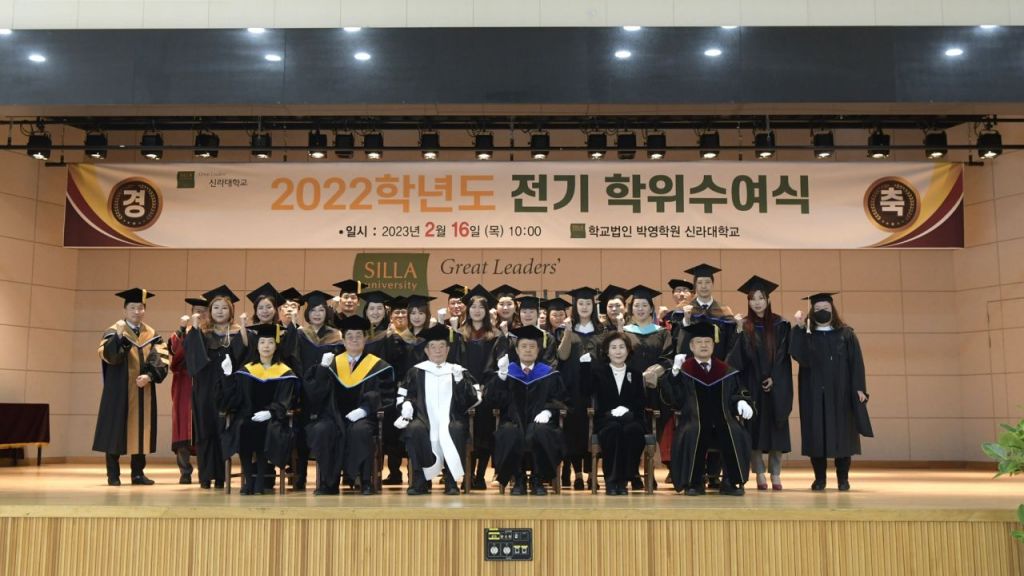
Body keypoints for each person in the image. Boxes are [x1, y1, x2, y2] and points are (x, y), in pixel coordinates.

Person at [790, 292, 872, 491]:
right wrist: (800, 328)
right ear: (811, 312)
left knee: (843, 435)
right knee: (816, 435)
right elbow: (799, 356)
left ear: (832, 310)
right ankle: (820, 479)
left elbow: (856, 363)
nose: (822, 312)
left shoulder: (846, 334)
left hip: (841, 393)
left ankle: (843, 479)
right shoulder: (807, 334)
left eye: (825, 308)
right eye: (817, 309)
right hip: (813, 393)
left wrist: (860, 388)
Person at [306, 314, 395, 495]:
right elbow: (315, 395)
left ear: (365, 339)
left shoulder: (378, 366)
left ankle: (365, 480)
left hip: (363, 417)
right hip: (333, 415)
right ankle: (328, 482)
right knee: (322, 430)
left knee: (360, 430)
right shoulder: (331, 363)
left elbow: (385, 395)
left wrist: (365, 410)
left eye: (358, 336)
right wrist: (322, 370)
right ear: (343, 340)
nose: (354, 339)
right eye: (350, 336)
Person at [667, 322, 753, 496]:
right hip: (693, 420)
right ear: (692, 346)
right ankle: (694, 482)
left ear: (713, 346)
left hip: (724, 419)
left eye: (707, 342)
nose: (704, 345)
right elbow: (674, 399)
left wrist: (741, 401)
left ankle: (731, 482)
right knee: (693, 431)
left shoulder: (726, 370)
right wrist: (674, 374)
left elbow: (738, 391)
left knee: (736, 432)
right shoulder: (684, 370)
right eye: (699, 342)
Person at [93, 288, 169, 486]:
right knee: (115, 429)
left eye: (140, 308)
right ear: (125, 310)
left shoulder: (151, 334)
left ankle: (137, 474)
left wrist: (150, 376)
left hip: (143, 390)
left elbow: (161, 358)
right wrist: (119, 338)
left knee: (142, 430)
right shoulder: (113, 331)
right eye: (133, 308)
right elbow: (109, 356)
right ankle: (113, 475)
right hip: (118, 390)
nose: (137, 311)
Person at [395, 324, 482, 495]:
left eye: (442, 346)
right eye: (433, 347)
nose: (438, 350)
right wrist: (406, 404)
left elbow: (473, 399)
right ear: (426, 350)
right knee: (414, 429)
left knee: (457, 429)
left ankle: (451, 480)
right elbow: (404, 395)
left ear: (448, 350)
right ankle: (420, 479)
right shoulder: (416, 372)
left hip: (452, 419)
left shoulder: (458, 371)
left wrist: (460, 381)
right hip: (423, 419)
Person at [726, 276, 793, 491]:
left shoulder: (781, 325)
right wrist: (737, 331)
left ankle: (776, 473)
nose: (757, 303)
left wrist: (774, 378)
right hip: (752, 385)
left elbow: (783, 356)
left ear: (768, 300)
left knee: (777, 428)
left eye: (760, 298)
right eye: (752, 299)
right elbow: (735, 359)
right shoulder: (745, 325)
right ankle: (760, 474)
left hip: (777, 386)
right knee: (753, 429)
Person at [674, 264, 738, 489]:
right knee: (697, 423)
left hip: (718, 374)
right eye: (699, 283)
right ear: (695, 286)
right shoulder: (684, 311)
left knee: (723, 422)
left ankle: (716, 474)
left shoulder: (724, 313)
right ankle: (696, 475)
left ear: (713, 284)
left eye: (707, 282)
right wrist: (685, 322)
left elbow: (730, 345)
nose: (703, 286)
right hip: (693, 375)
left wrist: (724, 369)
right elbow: (678, 342)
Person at [487, 325, 567, 496]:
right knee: (509, 432)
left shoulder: (549, 373)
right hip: (512, 420)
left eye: (532, 346)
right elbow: (494, 400)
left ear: (538, 350)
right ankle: (518, 478)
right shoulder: (508, 372)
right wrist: (501, 377)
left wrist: (548, 411)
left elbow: (560, 399)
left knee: (542, 431)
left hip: (541, 421)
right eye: (524, 346)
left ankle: (538, 479)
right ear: (516, 350)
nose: (528, 350)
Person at [219, 323, 296, 495]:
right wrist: (227, 376)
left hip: (273, 418)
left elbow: (285, 400)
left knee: (264, 430)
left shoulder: (285, 372)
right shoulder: (246, 370)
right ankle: (249, 480)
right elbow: (234, 398)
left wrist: (271, 412)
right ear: (257, 346)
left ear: (276, 347)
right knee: (243, 427)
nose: (266, 346)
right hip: (247, 415)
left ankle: (260, 480)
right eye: (262, 342)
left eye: (270, 342)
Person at [185, 285, 248, 489]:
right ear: (210, 311)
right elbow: (193, 360)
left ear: (231, 311)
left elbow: (243, 357)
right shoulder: (203, 333)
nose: (220, 311)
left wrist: (244, 329)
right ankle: (205, 475)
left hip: (229, 389)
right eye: (216, 308)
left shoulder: (237, 332)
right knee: (205, 430)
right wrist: (195, 329)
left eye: (224, 308)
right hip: (205, 388)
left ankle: (221, 476)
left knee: (223, 430)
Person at [580, 332, 647, 495]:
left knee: (633, 431)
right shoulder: (599, 372)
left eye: (622, 347)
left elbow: (641, 401)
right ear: (607, 351)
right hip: (606, 419)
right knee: (613, 430)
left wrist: (628, 409)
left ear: (628, 350)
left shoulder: (636, 374)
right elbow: (585, 391)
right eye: (614, 347)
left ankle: (624, 480)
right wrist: (584, 367)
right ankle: (612, 480)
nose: (618, 351)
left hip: (631, 418)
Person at [292, 289, 344, 491]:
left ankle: (327, 477)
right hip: (305, 392)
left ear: (326, 312)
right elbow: (295, 360)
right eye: (313, 310)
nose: (317, 314)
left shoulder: (335, 336)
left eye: (321, 310)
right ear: (307, 313)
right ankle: (300, 475)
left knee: (326, 433)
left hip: (328, 393)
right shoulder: (300, 334)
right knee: (302, 434)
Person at [458, 285, 507, 490]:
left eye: (481, 307)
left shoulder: (495, 335)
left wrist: (485, 387)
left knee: (485, 432)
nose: (477, 311)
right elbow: (456, 363)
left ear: (487, 311)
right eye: (473, 307)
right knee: (464, 432)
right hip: (464, 390)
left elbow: (498, 365)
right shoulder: (460, 335)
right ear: (467, 310)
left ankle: (479, 475)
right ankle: (467, 474)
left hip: (487, 391)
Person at [167, 296, 208, 484]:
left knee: (203, 428)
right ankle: (185, 472)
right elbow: (174, 355)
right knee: (183, 427)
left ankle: (206, 471)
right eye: (197, 312)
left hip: (204, 385)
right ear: (191, 314)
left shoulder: (212, 333)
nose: (200, 315)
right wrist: (182, 330)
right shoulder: (183, 333)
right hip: (184, 385)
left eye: (204, 312)